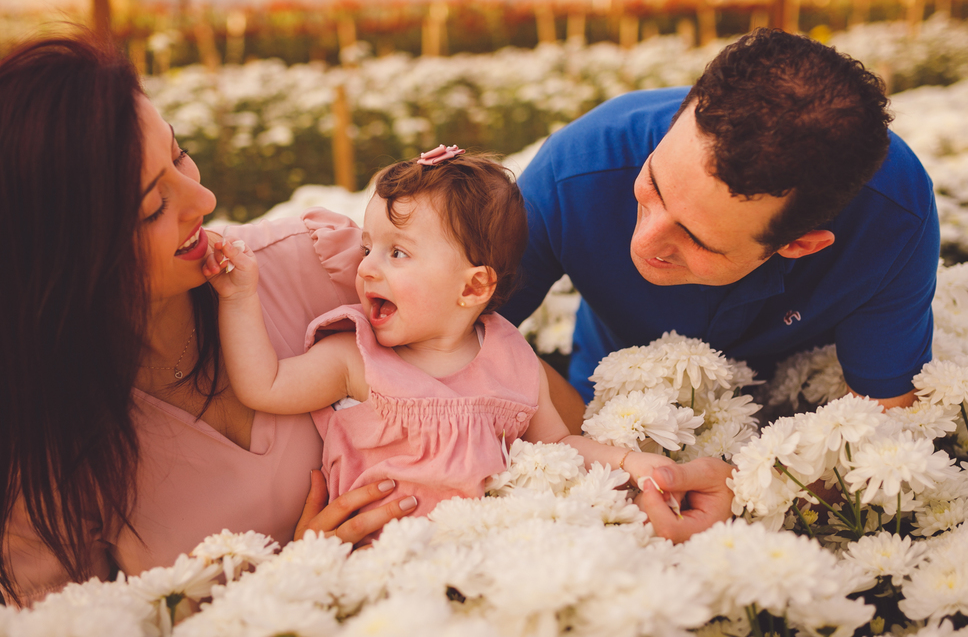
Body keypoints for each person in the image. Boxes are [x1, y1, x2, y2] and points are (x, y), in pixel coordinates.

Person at [0, 36, 412, 607]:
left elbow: (490, 367)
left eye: (179, 155)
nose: (203, 199)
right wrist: (291, 585)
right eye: (152, 206)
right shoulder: (44, 461)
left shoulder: (320, 266)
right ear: (58, 261)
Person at [501, 28, 939, 537]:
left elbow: (885, 435)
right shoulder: (578, 164)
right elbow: (445, 341)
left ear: (800, 244)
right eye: (653, 185)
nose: (644, 241)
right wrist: (587, 454)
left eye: (698, 240)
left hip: (789, 430)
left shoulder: (893, 219)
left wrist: (757, 493)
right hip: (596, 413)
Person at [207, 147, 690, 525]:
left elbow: (560, 444)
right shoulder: (356, 357)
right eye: (368, 248)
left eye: (398, 253)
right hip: (386, 559)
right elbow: (264, 385)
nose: (367, 268)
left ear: (473, 287)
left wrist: (630, 462)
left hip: (491, 548)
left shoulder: (511, 358)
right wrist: (239, 297)